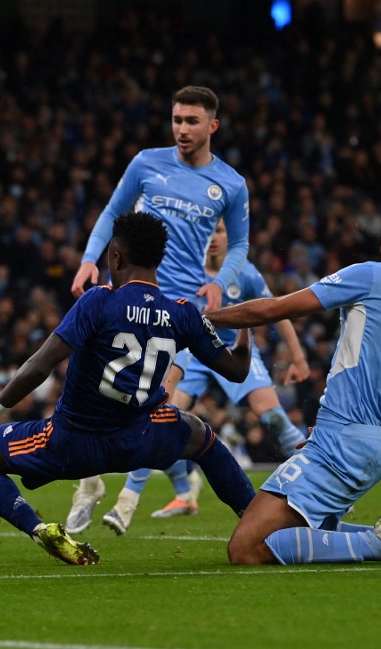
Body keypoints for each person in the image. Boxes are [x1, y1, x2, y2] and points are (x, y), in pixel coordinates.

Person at [0, 212, 256, 565]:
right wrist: (248, 326)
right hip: (138, 440)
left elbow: (39, 366)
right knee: (201, 436)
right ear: (159, 259)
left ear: (116, 257)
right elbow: (237, 370)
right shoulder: (182, 313)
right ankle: (253, 517)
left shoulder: (100, 301)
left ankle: (37, 528)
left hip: (72, 443)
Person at [206, 202, 381, 565]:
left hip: (342, 441)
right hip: (378, 445)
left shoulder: (373, 275)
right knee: (295, 527)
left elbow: (275, 308)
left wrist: (203, 317)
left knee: (248, 547)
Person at [66, 85, 251, 533]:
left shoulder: (230, 183)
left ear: (213, 126)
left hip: (177, 310)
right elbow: (113, 212)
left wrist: (220, 282)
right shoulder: (147, 162)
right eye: (176, 120)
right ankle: (90, 483)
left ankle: (128, 500)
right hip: (126, 296)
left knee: (158, 401)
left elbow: (241, 244)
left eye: (191, 121)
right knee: (91, 385)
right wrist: (90, 258)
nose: (182, 129)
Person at [100, 220, 311, 534]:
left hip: (231, 349)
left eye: (221, 232)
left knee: (273, 419)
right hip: (191, 350)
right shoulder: (185, 269)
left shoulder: (246, 272)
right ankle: (128, 502)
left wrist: (298, 355)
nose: (214, 238)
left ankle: (317, 479)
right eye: (209, 231)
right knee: (162, 414)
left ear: (231, 237)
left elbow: (275, 311)